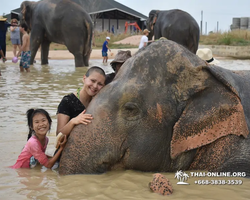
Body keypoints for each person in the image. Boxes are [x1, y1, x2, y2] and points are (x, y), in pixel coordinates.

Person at [56, 66, 106, 137]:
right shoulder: (68, 101)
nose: (95, 86)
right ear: (84, 78)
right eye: (93, 81)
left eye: (100, 84)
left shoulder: (99, 103)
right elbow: (59, 134)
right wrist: (73, 121)